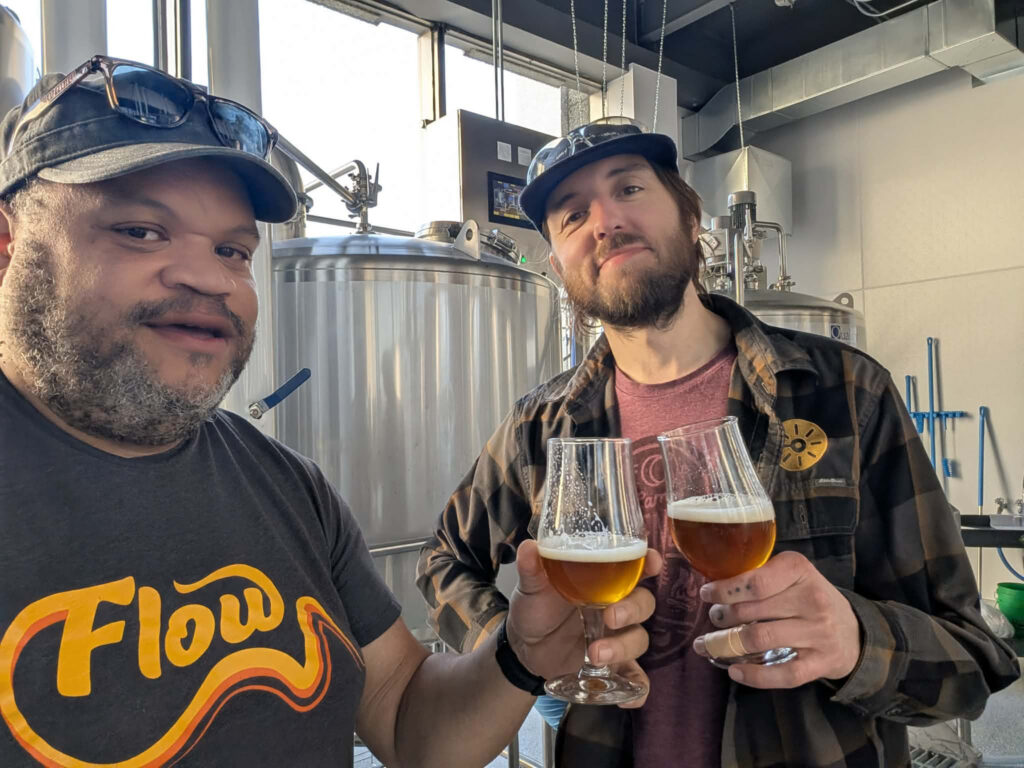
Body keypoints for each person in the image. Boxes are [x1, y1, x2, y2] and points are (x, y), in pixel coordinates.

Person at [0, 58, 662, 768]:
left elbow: (406, 723)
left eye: (232, 250)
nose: (209, 277)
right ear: (9, 246)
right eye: (140, 231)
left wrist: (520, 657)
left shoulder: (289, 488)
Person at [417, 119, 1021, 767]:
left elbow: (973, 661)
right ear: (558, 264)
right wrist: (519, 653)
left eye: (629, 189)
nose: (605, 221)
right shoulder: (541, 426)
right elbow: (444, 560)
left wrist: (856, 641)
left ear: (690, 215)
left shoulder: (846, 392)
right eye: (572, 215)